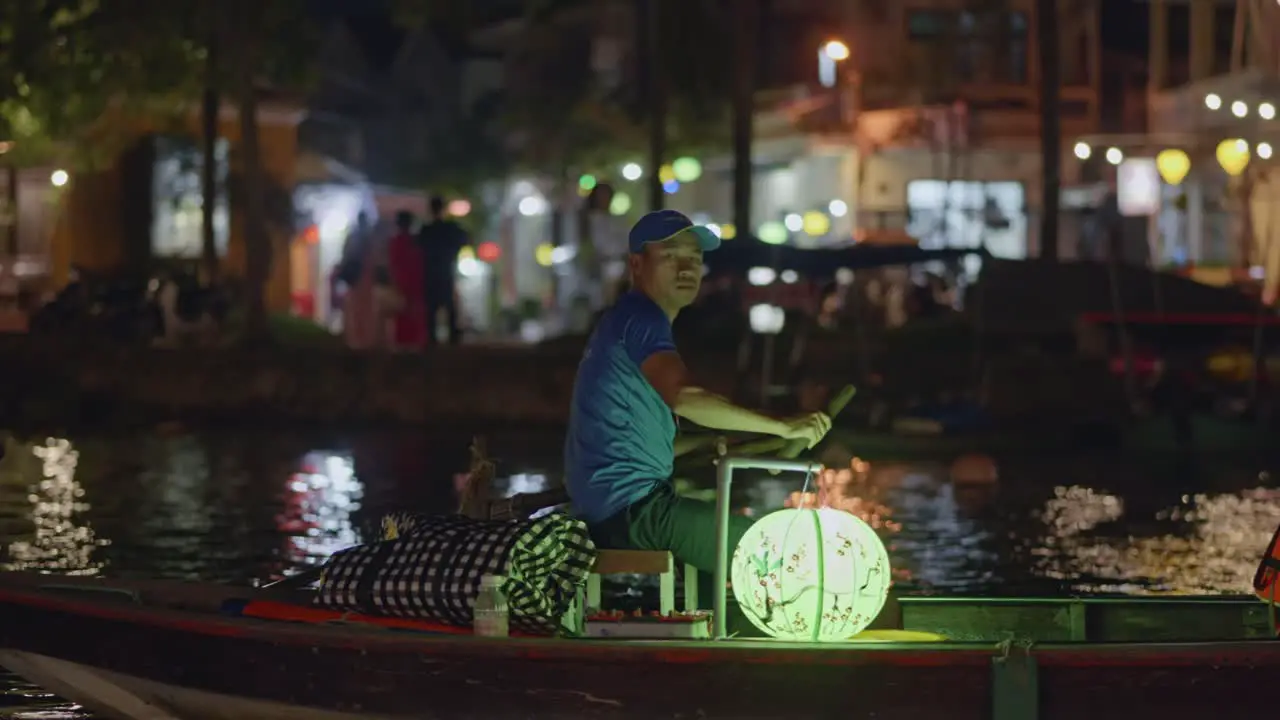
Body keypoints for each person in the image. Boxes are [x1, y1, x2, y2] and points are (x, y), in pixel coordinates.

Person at [564, 209, 832, 622]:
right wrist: (784, 424)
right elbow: (686, 398)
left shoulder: (623, 321)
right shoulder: (642, 318)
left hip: (615, 507)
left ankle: (717, 637)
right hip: (631, 513)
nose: (687, 267)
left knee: (725, 549)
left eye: (694, 257)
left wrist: (718, 442)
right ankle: (783, 641)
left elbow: (640, 432)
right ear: (637, 264)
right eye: (671, 255)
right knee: (769, 544)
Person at [417, 196, 470, 345]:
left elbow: (418, 248)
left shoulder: (426, 230)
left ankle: (432, 340)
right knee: (449, 306)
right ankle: (453, 339)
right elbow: (464, 239)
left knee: (432, 309)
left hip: (430, 273)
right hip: (446, 270)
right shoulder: (450, 228)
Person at [387, 211, 427, 350]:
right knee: (413, 318)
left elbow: (392, 265)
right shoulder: (416, 242)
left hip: (402, 284)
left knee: (404, 318)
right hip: (415, 285)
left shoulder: (396, 242)